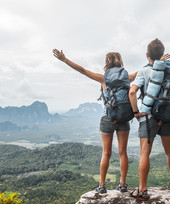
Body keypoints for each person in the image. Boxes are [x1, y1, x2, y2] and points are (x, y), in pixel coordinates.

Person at [52, 49, 136, 193]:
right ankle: (122, 184)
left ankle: (102, 185)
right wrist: (156, 61)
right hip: (123, 119)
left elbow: (83, 70)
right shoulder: (127, 78)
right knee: (123, 152)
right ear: (120, 62)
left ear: (107, 63)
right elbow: (144, 72)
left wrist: (65, 60)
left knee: (106, 153)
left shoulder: (103, 78)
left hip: (107, 119)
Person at [129, 38, 170, 201]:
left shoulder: (143, 71)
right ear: (162, 54)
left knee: (145, 152)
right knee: (169, 150)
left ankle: (142, 190)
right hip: (165, 115)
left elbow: (132, 92)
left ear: (147, 55)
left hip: (149, 116)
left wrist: (136, 112)